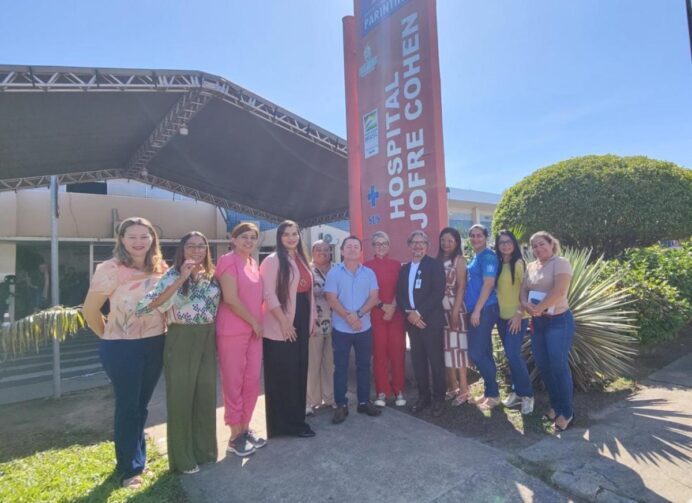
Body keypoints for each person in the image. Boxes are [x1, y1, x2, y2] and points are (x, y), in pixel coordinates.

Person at [82, 217, 167, 489]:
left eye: (145, 236)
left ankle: (137, 457)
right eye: (132, 237)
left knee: (140, 406)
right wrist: (109, 336)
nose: (139, 242)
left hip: (155, 342)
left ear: (153, 239)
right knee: (128, 406)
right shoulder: (110, 269)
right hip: (122, 347)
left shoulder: (160, 268)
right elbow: (90, 310)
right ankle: (129, 469)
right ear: (121, 239)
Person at [136, 231, 219, 473]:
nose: (197, 250)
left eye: (202, 246)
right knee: (181, 398)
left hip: (207, 335)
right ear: (182, 249)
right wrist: (181, 278)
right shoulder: (170, 275)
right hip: (181, 336)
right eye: (191, 246)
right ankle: (182, 459)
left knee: (205, 396)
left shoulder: (210, 276)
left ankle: (205, 451)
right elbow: (148, 305)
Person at [260, 220, 317, 438]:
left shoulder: (301, 258)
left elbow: (307, 293)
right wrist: (284, 322)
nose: (292, 238)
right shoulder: (272, 260)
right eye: (286, 234)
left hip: (301, 319)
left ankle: (296, 419)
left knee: (299, 372)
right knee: (284, 375)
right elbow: (268, 293)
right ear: (279, 237)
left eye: (295, 233)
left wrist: (310, 321)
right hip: (281, 324)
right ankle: (285, 425)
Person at [215, 222, 266, 456]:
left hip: (254, 332)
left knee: (252, 381)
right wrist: (254, 322)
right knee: (233, 383)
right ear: (233, 239)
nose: (249, 241)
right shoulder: (227, 260)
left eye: (253, 237)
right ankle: (235, 436)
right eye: (244, 237)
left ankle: (246, 428)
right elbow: (231, 299)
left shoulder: (253, 263)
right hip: (233, 330)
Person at [521, 231, 575, 431]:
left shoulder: (560, 263)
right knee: (544, 366)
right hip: (539, 323)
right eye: (534, 246)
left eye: (541, 244)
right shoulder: (531, 266)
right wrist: (525, 304)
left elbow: (560, 291)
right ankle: (556, 406)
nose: (538, 249)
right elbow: (524, 288)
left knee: (558, 366)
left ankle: (567, 412)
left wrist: (539, 307)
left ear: (552, 243)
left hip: (558, 321)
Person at [325, 235, 381, 424]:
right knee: (340, 368)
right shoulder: (334, 273)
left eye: (356, 246)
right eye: (348, 246)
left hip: (364, 328)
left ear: (360, 251)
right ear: (341, 251)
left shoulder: (369, 273)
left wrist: (357, 315)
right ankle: (341, 405)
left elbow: (374, 297)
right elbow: (331, 298)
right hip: (341, 329)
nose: (352, 249)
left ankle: (364, 402)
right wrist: (349, 317)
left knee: (364, 366)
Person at [396, 230, 447, 417]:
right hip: (411, 322)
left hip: (430, 322)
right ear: (409, 246)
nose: (418, 246)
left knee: (436, 361)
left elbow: (437, 293)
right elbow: (400, 295)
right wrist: (410, 314)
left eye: (422, 242)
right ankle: (423, 397)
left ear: (427, 246)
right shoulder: (404, 269)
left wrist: (418, 313)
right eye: (414, 242)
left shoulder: (435, 266)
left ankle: (439, 399)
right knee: (418, 362)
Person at [364, 231, 407, 407]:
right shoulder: (366, 267)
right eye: (377, 244)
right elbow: (366, 291)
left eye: (384, 243)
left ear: (389, 246)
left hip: (396, 316)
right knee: (379, 354)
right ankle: (382, 392)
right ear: (372, 246)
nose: (381, 246)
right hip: (376, 314)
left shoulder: (398, 265)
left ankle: (398, 390)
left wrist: (393, 306)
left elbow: (401, 289)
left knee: (398, 353)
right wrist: (383, 306)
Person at [494, 230, 534, 415]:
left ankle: (527, 396)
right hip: (502, 319)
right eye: (501, 242)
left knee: (513, 355)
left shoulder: (518, 263)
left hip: (516, 318)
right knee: (511, 356)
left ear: (514, 244)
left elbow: (526, 290)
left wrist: (519, 313)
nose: (505, 245)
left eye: (509, 242)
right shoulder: (499, 263)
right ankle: (517, 392)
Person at [465, 224, 501, 410]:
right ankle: (490, 392)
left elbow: (488, 284)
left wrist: (477, 310)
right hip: (478, 309)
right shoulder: (476, 257)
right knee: (484, 351)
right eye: (472, 235)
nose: (475, 239)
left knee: (477, 352)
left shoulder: (487, 256)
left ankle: (494, 394)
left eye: (479, 235)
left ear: (486, 237)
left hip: (485, 309)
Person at [436, 227, 470, 407]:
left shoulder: (459, 260)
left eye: (450, 240)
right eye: (443, 240)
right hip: (440, 312)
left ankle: (464, 390)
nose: (446, 244)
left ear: (456, 243)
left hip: (455, 310)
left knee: (459, 349)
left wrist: (456, 312)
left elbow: (462, 287)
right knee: (446, 350)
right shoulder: (438, 260)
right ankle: (452, 387)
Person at [306, 240, 335, 415]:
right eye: (318, 249)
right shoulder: (307, 270)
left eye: (326, 249)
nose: (322, 252)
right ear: (312, 252)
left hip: (336, 322)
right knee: (313, 362)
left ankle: (330, 397)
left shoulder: (338, 269)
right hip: (314, 324)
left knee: (330, 363)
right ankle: (311, 400)